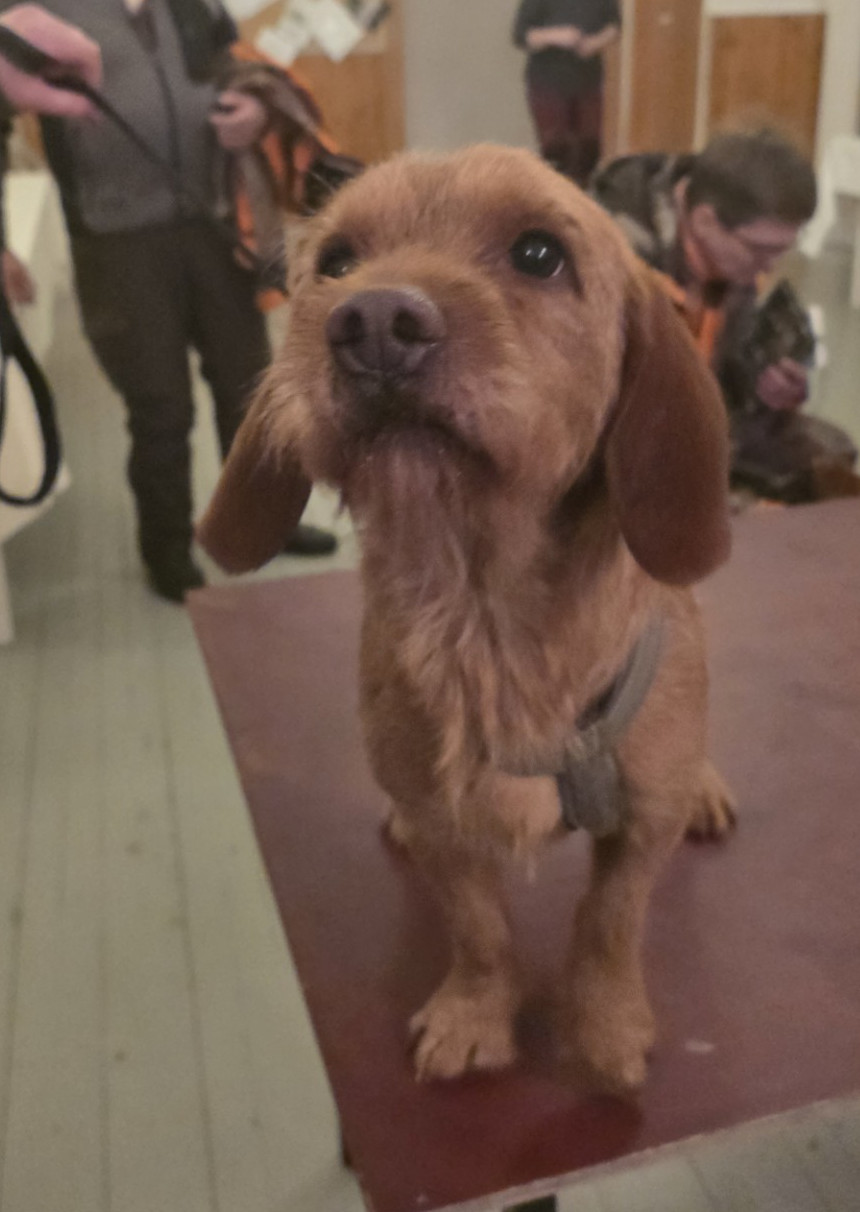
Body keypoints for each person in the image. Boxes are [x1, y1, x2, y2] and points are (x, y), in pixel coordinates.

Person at [0, 0, 337, 603]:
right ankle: (167, 548)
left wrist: (257, 111)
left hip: (214, 224)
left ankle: (265, 524)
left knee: (252, 388)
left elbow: (238, 68)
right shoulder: (36, 11)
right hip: (116, 244)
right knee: (161, 410)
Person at [591, 128, 857, 501]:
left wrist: (767, 388)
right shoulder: (611, 258)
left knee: (829, 450)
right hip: (613, 437)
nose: (769, 266)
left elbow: (727, 378)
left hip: (695, 423)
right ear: (704, 221)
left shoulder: (732, 261)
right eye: (760, 249)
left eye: (781, 250)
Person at [512, 0, 620, 187]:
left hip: (589, 81)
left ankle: (584, 197)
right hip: (547, 83)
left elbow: (615, 26)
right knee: (557, 151)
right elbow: (520, 35)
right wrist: (556, 36)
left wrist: (595, 43)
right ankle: (556, 197)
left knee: (589, 149)